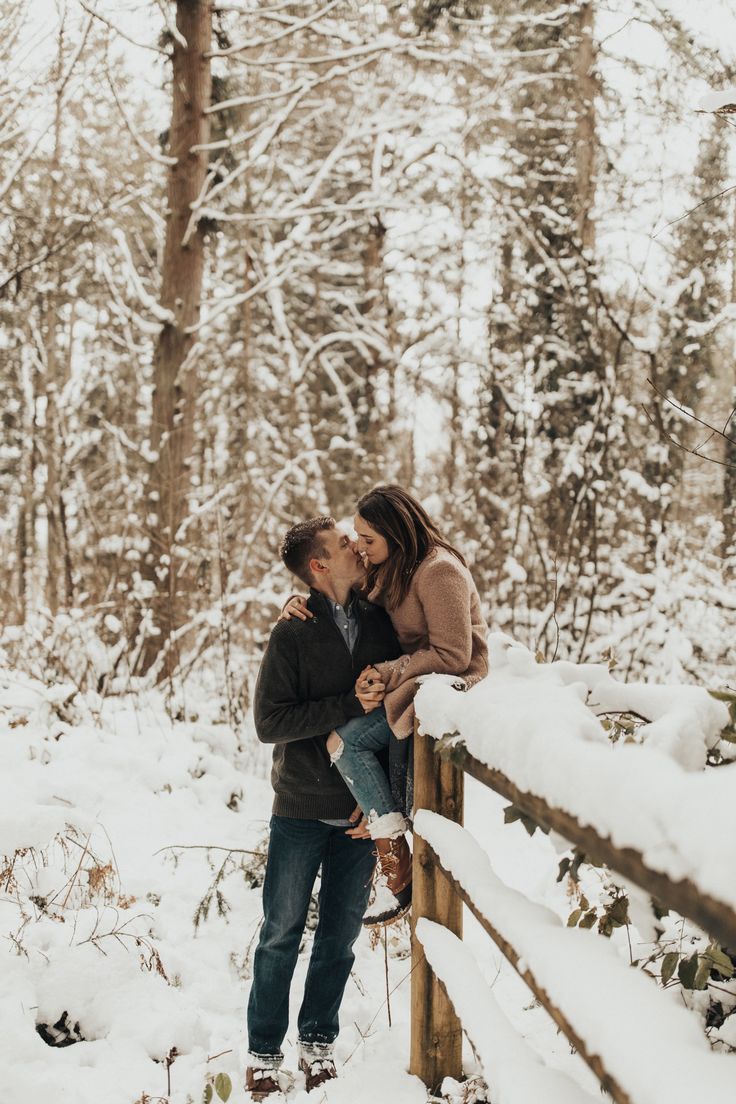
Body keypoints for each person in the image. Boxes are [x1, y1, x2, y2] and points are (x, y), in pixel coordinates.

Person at [282, 485, 489, 926]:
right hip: (408, 687)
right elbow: (339, 595)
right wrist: (301, 602)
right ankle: (397, 864)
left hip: (442, 689)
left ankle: (401, 868)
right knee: (345, 743)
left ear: (396, 533)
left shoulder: (439, 571)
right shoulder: (391, 566)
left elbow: (455, 655)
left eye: (367, 539)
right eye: (355, 536)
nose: (359, 546)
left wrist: (388, 671)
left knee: (396, 784)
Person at [245, 516, 400, 1100]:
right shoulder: (294, 632)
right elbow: (270, 722)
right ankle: (263, 1054)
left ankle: (317, 1045)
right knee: (281, 933)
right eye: (342, 544)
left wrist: (380, 800)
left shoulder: (381, 621)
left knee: (338, 939)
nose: (356, 548)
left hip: (360, 818)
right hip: (300, 808)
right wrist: (343, 702)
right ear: (319, 565)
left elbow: (398, 722)